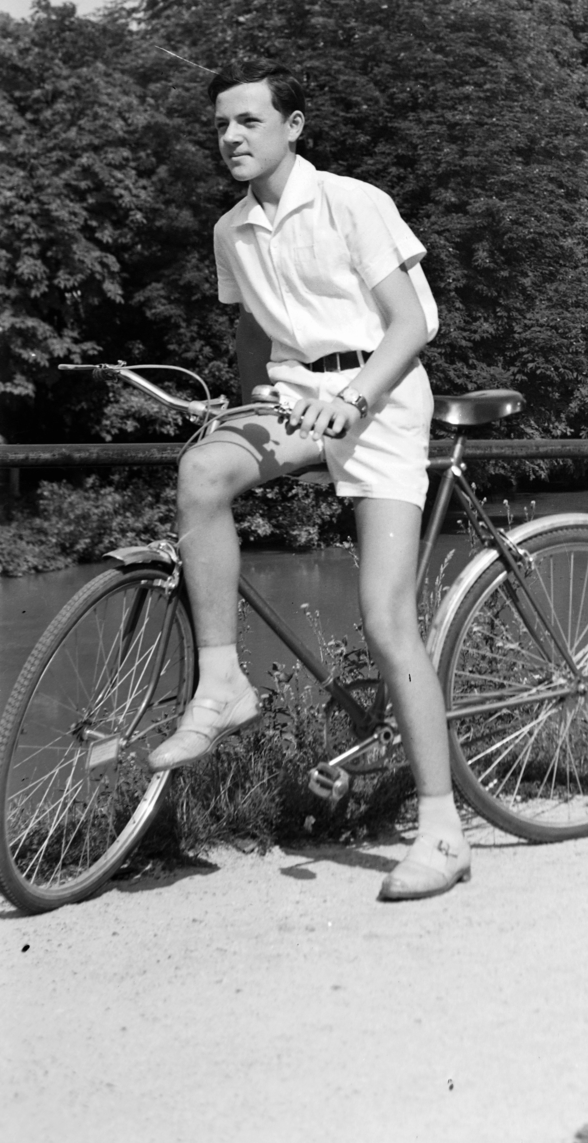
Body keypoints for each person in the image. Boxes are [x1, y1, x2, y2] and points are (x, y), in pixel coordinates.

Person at [147, 64, 470, 903]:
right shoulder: (231, 230)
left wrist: (356, 397)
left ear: (293, 126)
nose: (230, 138)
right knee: (202, 471)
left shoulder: (352, 202)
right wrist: (251, 400)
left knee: (383, 615)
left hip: (383, 395)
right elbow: (254, 325)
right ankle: (223, 682)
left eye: (248, 121)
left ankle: (441, 829)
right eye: (221, 125)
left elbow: (413, 323)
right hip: (297, 396)